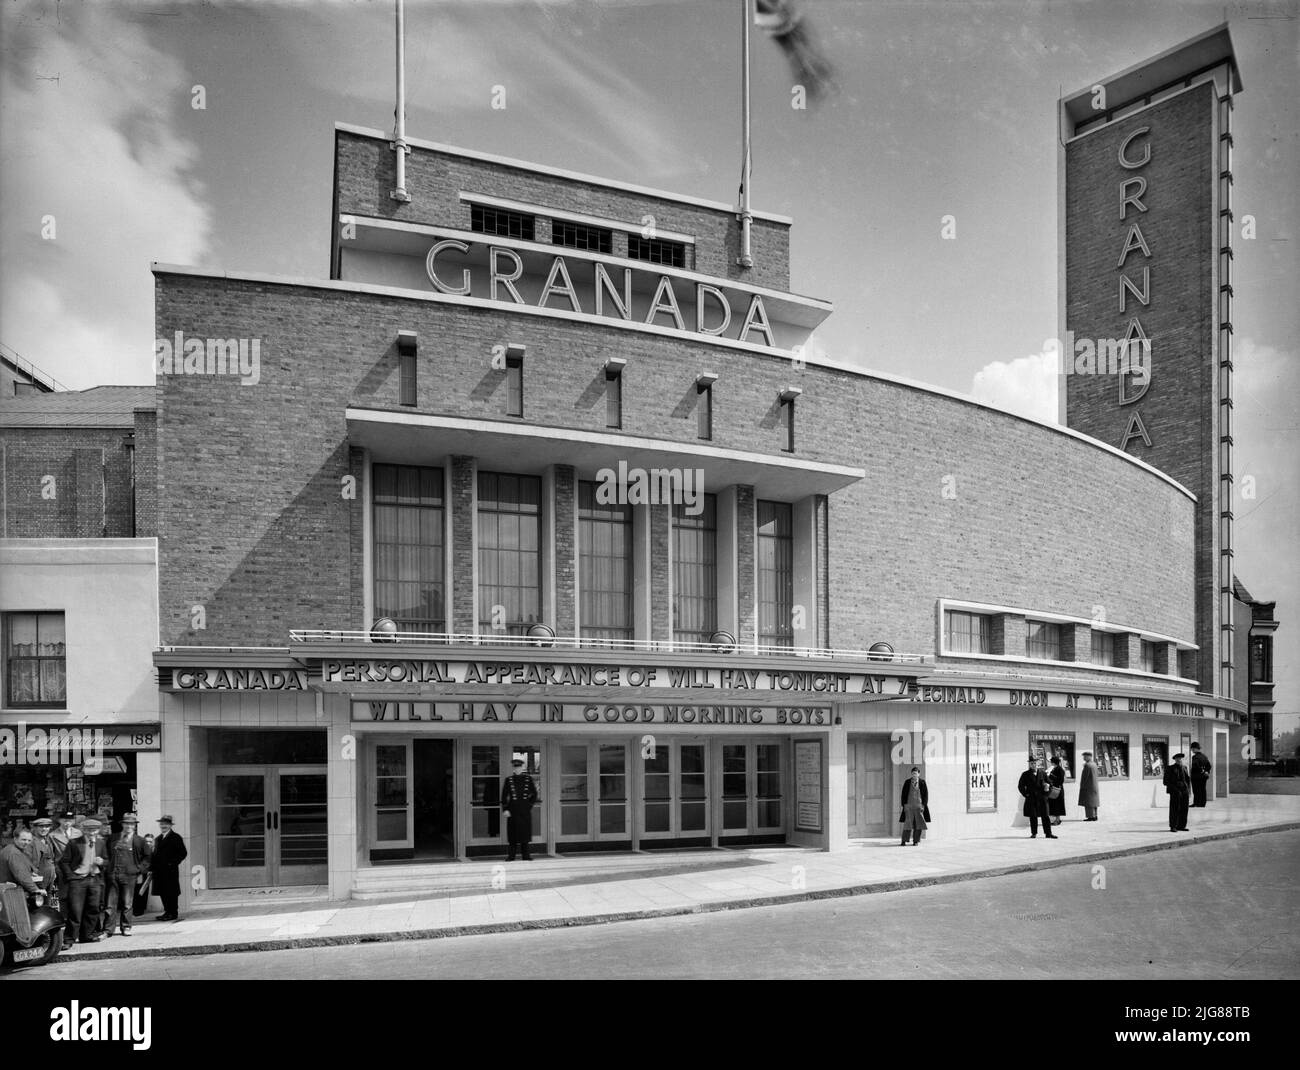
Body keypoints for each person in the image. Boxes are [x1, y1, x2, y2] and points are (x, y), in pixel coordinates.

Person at [58, 820, 106, 944]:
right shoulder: (74, 843)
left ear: (98, 831)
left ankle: (86, 935)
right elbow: (63, 862)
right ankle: (69, 939)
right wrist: (71, 877)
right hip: (78, 880)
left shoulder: (101, 843)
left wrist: (102, 862)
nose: (91, 832)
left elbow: (107, 861)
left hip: (94, 879)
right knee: (75, 910)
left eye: (94, 830)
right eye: (89, 830)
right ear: (84, 830)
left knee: (93, 909)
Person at [103, 814, 151, 938]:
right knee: (110, 904)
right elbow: (105, 854)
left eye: (131, 824)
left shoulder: (139, 840)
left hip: (129, 875)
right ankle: (108, 929)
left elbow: (148, 857)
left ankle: (126, 927)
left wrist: (139, 869)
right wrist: (107, 867)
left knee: (127, 903)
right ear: (122, 825)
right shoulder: (113, 838)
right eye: (126, 824)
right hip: (113, 874)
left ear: (134, 826)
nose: (129, 826)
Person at [500, 758, 539, 861]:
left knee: (525, 832)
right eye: (515, 767)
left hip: (524, 810)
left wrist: (529, 805)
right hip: (512, 809)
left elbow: (534, 794)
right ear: (513, 768)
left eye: (519, 767)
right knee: (512, 833)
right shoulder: (509, 780)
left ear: (522, 767)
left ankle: (526, 855)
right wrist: (505, 809)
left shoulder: (528, 779)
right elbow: (504, 796)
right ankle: (511, 855)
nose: (517, 769)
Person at [151, 815, 188, 920]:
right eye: (162, 824)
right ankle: (167, 912)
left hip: (170, 871)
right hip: (159, 871)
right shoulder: (158, 839)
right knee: (163, 892)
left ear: (170, 825)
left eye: (166, 824)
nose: (163, 826)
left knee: (171, 892)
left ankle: (173, 913)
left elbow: (183, 853)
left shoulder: (176, 837)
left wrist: (172, 863)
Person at [1017, 754, 1057, 839]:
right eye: (1031, 763)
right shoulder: (1025, 774)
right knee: (1033, 816)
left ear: (1037, 763)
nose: (1033, 764)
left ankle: (1048, 833)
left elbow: (1050, 783)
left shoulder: (1042, 773)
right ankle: (1034, 833)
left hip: (1042, 798)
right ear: (1029, 764)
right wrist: (1026, 794)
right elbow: (1020, 786)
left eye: (1034, 763)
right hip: (1031, 798)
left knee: (1045, 816)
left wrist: (1047, 792)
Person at [0, 829, 43, 894]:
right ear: (15, 839)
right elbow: (21, 875)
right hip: (10, 893)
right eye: (23, 840)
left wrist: (30, 873)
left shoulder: (13, 849)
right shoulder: (14, 853)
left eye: (29, 840)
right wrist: (35, 890)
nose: (26, 842)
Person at [898, 766, 930, 846]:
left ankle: (916, 841)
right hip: (909, 806)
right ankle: (904, 841)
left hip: (919, 806)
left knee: (918, 824)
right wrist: (904, 805)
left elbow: (925, 795)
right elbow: (903, 794)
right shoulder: (907, 782)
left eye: (915, 773)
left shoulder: (922, 782)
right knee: (907, 824)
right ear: (911, 774)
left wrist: (923, 805)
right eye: (913, 773)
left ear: (919, 774)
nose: (914, 775)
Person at [1164, 753, 1191, 832]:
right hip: (1175, 791)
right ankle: (1173, 826)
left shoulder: (1185, 768)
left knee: (1184, 809)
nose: (1179, 760)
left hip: (1184, 791)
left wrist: (1188, 790)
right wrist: (1174, 789)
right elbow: (1165, 781)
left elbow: (1188, 780)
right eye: (1178, 758)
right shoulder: (1170, 768)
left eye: (1181, 758)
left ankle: (1182, 825)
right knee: (1174, 809)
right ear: (1175, 759)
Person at [1077, 752, 1101, 821]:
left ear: (1089, 757)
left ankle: (1091, 816)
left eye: (1085, 756)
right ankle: (1095, 815)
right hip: (1094, 785)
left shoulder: (1087, 765)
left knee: (1088, 802)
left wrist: (1082, 785)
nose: (1083, 758)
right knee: (1094, 802)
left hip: (1088, 786)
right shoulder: (1094, 764)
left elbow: (1085, 777)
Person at [1189, 742, 1212, 807]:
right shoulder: (1204, 756)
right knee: (1203, 789)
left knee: (1196, 790)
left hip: (1196, 776)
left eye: (1192, 749)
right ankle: (1202, 803)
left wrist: (1202, 771)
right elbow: (1209, 766)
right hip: (1204, 777)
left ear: (1195, 748)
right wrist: (1206, 772)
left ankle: (1196, 803)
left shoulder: (1195, 757)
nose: (1192, 750)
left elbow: (1196, 766)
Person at [1047, 755, 1066, 825]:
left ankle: (1057, 820)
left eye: (1051, 762)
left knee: (1058, 805)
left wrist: (1051, 776)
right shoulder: (1054, 768)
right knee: (1054, 805)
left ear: (1054, 762)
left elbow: (1060, 780)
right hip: (1055, 789)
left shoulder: (1060, 769)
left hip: (1058, 789)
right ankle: (1055, 820)